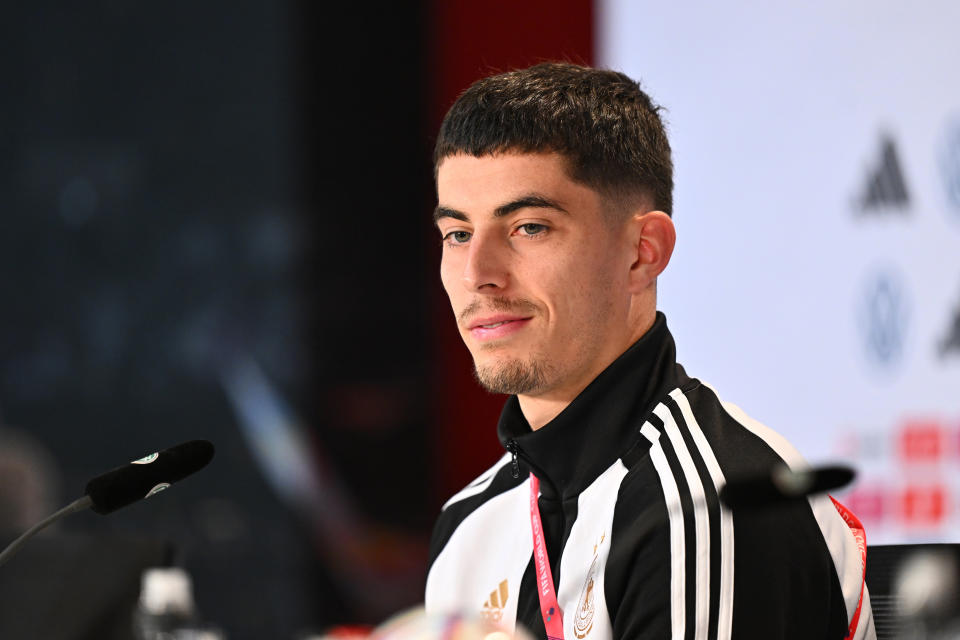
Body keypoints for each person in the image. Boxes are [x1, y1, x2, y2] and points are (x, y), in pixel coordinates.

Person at [423, 62, 874, 640]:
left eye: (528, 228)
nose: (478, 274)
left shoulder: (715, 505)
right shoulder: (469, 524)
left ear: (642, 252)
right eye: (458, 234)